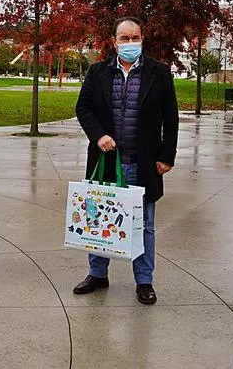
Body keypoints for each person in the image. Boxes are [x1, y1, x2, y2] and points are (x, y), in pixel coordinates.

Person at [72, 16, 179, 304]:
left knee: (144, 225)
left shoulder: (159, 72)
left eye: (135, 38)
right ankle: (97, 274)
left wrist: (166, 156)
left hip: (143, 163)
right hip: (106, 162)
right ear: (114, 42)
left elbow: (171, 117)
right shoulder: (98, 72)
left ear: (142, 39)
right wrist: (98, 135)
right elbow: (83, 108)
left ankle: (144, 280)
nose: (131, 43)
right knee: (98, 218)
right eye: (125, 38)